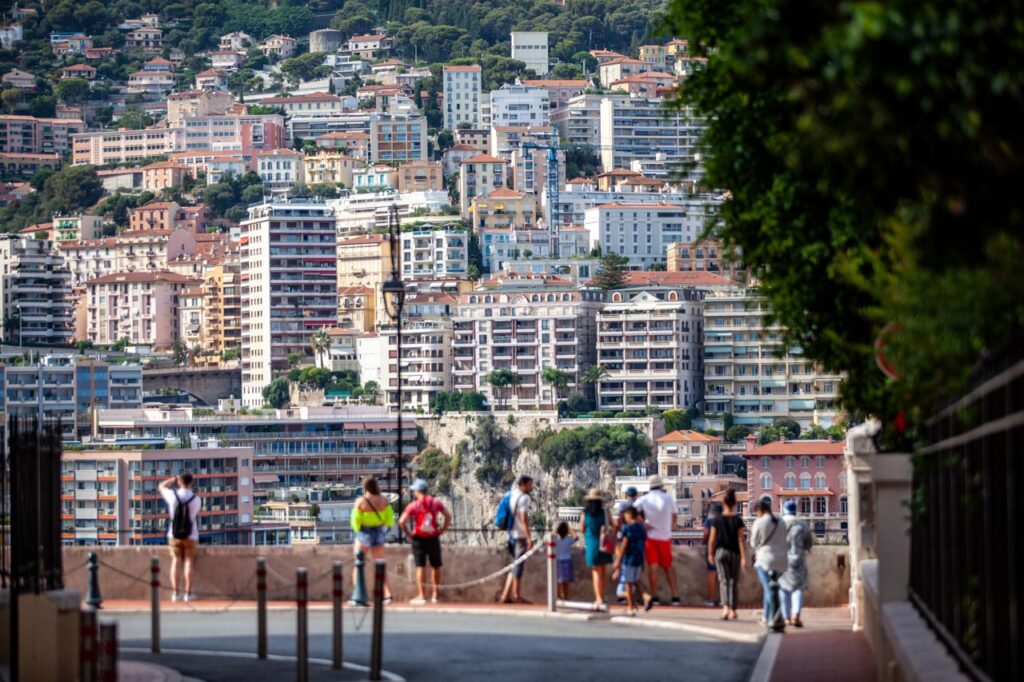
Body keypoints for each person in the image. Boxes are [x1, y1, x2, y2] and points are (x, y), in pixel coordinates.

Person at [398, 479, 452, 604]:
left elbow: (401, 521)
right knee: (436, 566)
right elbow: (448, 516)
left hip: (419, 538)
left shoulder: (414, 505)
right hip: (433, 537)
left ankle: (421, 595)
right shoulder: (435, 502)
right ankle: (436, 595)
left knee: (420, 566)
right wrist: (442, 530)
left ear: (417, 491)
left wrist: (409, 534)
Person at [634, 475, 680, 606]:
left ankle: (655, 597)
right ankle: (675, 596)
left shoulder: (644, 499)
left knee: (652, 568)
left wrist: (643, 522)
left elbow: (631, 510)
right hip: (665, 537)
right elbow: (675, 514)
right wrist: (671, 527)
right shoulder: (667, 498)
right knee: (668, 567)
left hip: (651, 537)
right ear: (661, 485)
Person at [158, 473, 202, 602]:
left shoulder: (172, 496)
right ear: (191, 482)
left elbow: (161, 486)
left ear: (179, 482)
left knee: (175, 561)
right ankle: (188, 594)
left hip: (174, 533)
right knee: (189, 561)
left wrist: (172, 479)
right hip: (191, 534)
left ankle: (175, 594)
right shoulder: (196, 499)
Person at [350, 476, 394, 603]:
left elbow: (355, 520)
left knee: (358, 564)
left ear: (365, 487)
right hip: (379, 532)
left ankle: (358, 595)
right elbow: (390, 519)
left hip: (364, 532)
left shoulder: (361, 501)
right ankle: (387, 594)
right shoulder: (384, 500)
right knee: (380, 564)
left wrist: (359, 529)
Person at [707, 489, 747, 620]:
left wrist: (710, 555)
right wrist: (743, 558)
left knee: (724, 581)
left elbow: (712, 540)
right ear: (735, 503)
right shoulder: (738, 520)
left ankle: (725, 608)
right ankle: (733, 610)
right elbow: (741, 539)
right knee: (734, 582)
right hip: (735, 553)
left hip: (721, 552)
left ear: (724, 502)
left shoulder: (717, 519)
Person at [750, 496, 788, 628]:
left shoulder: (759, 522)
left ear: (760, 510)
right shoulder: (781, 521)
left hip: (765, 560)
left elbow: (753, 543)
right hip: (782, 561)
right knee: (772, 588)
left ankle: (771, 617)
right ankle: (769, 616)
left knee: (768, 588)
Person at [612, 506, 653, 616]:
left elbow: (624, 544)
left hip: (629, 558)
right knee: (635, 580)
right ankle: (645, 596)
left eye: (625, 515)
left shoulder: (627, 528)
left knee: (629, 584)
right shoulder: (642, 528)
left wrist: (618, 561)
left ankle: (630, 607)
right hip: (639, 558)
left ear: (629, 515)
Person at [499, 475, 534, 604]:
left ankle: (505, 595)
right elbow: (523, 519)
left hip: (510, 535)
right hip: (520, 536)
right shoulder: (524, 498)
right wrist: (529, 538)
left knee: (515, 564)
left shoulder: (511, 494)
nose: (532, 487)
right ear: (523, 485)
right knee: (518, 566)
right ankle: (516, 595)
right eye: (530, 485)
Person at [779, 499, 814, 627]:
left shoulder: (779, 524)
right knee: (798, 587)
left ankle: (786, 617)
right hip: (798, 559)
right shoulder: (802, 524)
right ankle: (796, 615)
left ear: (784, 510)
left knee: (783, 588)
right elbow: (809, 544)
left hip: (781, 559)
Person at [579, 488, 613, 607]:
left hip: (592, 545)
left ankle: (598, 598)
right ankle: (602, 597)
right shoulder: (606, 512)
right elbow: (613, 526)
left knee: (596, 572)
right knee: (603, 572)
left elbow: (582, 529)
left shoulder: (585, 514)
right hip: (604, 545)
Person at [702, 503, 723, 607]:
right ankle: (724, 599)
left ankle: (710, 599)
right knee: (723, 576)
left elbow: (706, 534)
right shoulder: (724, 520)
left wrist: (704, 542)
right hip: (724, 548)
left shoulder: (709, 520)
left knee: (712, 574)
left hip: (712, 549)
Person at [553, 521, 577, 600]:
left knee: (557, 581)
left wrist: (555, 530)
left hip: (558, 561)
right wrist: (571, 530)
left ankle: (558, 596)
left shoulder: (556, 540)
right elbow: (576, 537)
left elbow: (550, 536)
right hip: (567, 561)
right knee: (565, 582)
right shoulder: (568, 540)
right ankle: (566, 597)